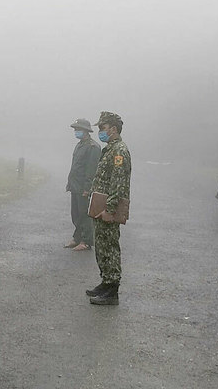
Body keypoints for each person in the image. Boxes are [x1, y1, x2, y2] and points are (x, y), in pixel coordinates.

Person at [86, 111, 132, 306]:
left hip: (108, 207)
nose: (100, 132)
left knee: (110, 247)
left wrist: (111, 209)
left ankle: (112, 290)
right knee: (102, 246)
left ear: (113, 129)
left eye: (102, 128)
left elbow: (118, 183)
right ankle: (105, 282)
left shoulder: (119, 150)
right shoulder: (109, 149)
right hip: (101, 205)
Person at [65, 119, 101, 251]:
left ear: (86, 131)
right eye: (75, 129)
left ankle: (86, 241)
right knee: (75, 214)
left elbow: (91, 169)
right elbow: (76, 167)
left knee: (84, 214)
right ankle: (77, 237)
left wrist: (87, 188)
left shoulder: (93, 147)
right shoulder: (80, 145)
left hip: (83, 187)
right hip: (75, 185)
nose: (76, 132)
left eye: (78, 129)